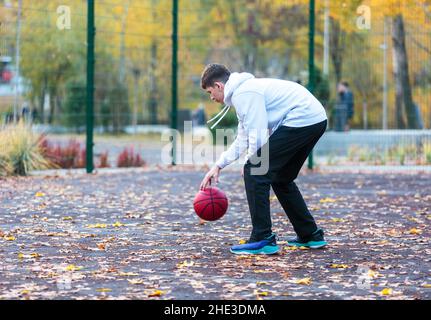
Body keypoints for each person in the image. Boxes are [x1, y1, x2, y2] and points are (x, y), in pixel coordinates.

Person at [199, 63, 328, 255]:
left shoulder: (245, 93)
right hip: (314, 119)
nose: (211, 97)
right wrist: (218, 165)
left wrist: (252, 163)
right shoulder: (243, 93)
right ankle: (310, 234)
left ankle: (262, 238)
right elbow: (243, 137)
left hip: (303, 118)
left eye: (210, 92)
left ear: (219, 86)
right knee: (281, 178)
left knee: (255, 170)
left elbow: (258, 135)